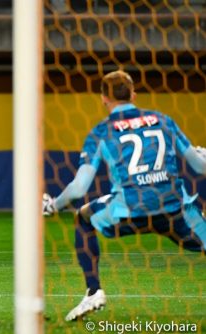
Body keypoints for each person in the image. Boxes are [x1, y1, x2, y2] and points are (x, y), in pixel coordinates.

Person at [42, 70, 206, 321]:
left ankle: (94, 291)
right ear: (134, 94)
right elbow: (198, 166)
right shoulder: (163, 120)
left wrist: (54, 205)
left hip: (129, 209)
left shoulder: (101, 132)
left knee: (83, 218)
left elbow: (78, 188)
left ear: (103, 98)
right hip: (174, 208)